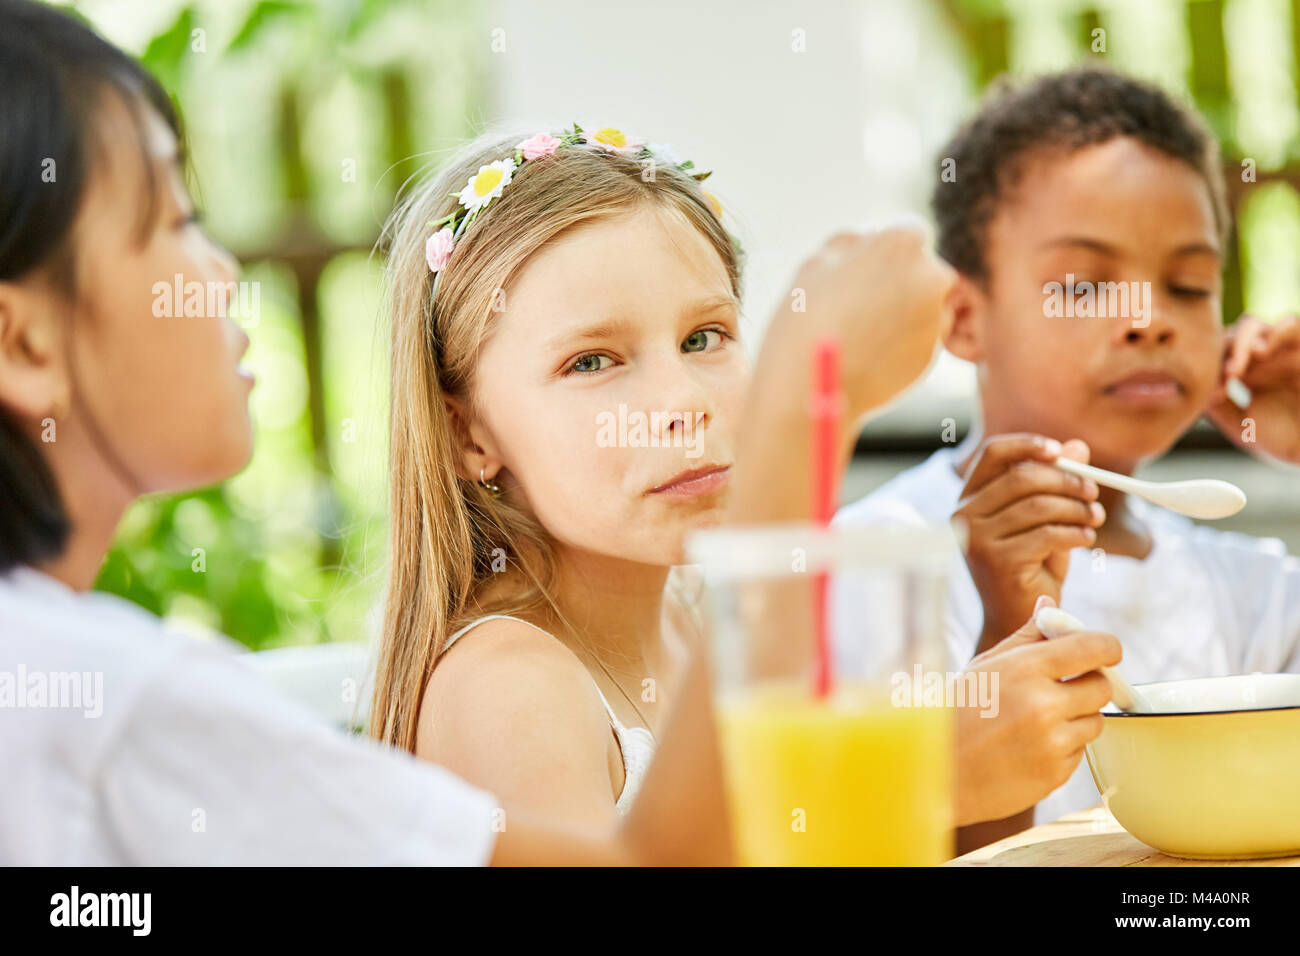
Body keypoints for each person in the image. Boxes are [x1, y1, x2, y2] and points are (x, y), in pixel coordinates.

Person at [372, 119, 1121, 840]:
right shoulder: (508, 687)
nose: (684, 404)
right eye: (592, 362)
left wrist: (1001, 628)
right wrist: (919, 772)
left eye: (704, 338)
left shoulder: (697, 617)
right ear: (468, 434)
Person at [835, 66, 1300, 847]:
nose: (1148, 319)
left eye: (1187, 285)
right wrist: (1006, 620)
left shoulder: (1248, 586)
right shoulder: (868, 565)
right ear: (963, 317)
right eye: (1085, 286)